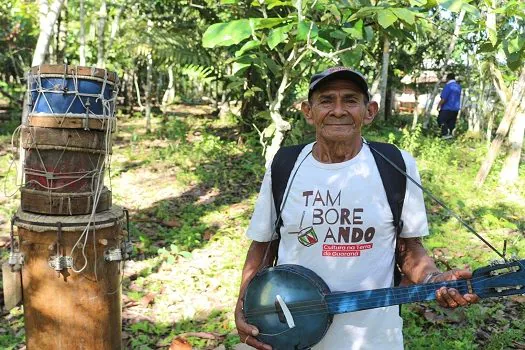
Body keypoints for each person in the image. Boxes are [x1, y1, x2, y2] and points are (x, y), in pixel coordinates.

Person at [234, 67, 478, 350]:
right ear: (308, 111)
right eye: (326, 100)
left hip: (374, 337)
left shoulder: (395, 164)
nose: (338, 110)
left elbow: (408, 249)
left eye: (350, 100)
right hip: (291, 333)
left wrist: (434, 279)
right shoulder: (285, 165)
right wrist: (244, 303)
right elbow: (264, 245)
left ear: (370, 111)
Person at [437, 73, 462, 139]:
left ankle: (445, 134)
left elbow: (444, 98)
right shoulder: (458, 86)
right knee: (451, 122)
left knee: (441, 120)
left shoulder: (448, 86)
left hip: (447, 108)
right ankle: (450, 135)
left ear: (447, 78)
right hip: (455, 109)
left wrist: (439, 105)